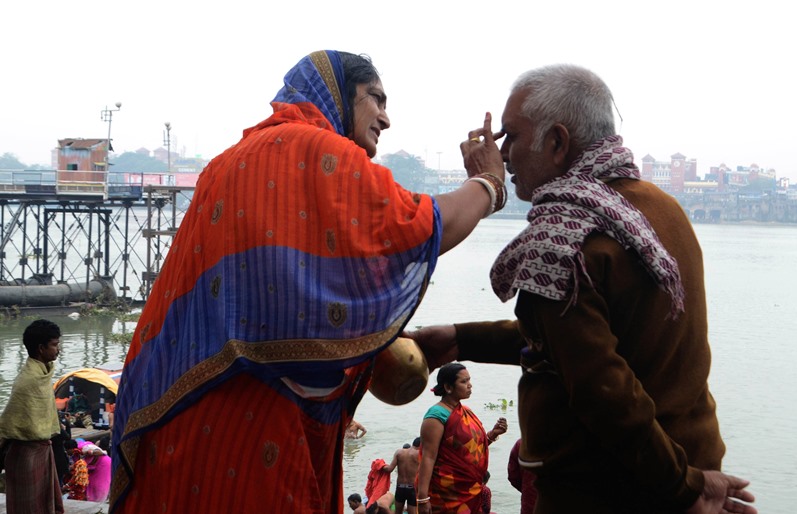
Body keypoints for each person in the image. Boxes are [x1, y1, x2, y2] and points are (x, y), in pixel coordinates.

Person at [109, 50, 506, 514]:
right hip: (264, 433)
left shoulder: (224, 165)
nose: (386, 117)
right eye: (375, 98)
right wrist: (488, 182)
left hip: (187, 416)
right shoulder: (321, 152)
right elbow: (416, 228)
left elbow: (285, 299)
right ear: (338, 94)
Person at [410, 64, 758, 513]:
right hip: (687, 462)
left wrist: (684, 488)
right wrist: (464, 338)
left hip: (613, 490)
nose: (504, 154)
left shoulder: (560, 239)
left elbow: (601, 388)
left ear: (556, 142)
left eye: (511, 137)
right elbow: (581, 344)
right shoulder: (659, 209)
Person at [415, 363, 507, 513]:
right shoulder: (436, 416)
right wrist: (422, 498)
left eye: (469, 380)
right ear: (448, 387)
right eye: (463, 382)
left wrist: (493, 434)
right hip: (446, 493)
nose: (470, 385)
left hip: (470, 490)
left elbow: (468, 450)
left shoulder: (466, 411)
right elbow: (428, 457)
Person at [0, 319, 65, 514]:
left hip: (44, 451)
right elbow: (9, 421)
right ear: (40, 348)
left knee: (46, 505)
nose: (58, 349)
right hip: (25, 457)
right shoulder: (28, 381)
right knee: (27, 507)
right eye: (54, 345)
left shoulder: (43, 374)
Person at [382, 437, 421, 514]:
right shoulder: (418, 454)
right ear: (421, 446)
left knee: (398, 512)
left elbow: (389, 469)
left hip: (400, 487)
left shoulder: (399, 452)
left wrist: (380, 465)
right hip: (412, 488)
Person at [507, 438, 538, 513]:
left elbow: (513, 476)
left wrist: (527, 489)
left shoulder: (522, 444)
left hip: (530, 504)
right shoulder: (567, 445)